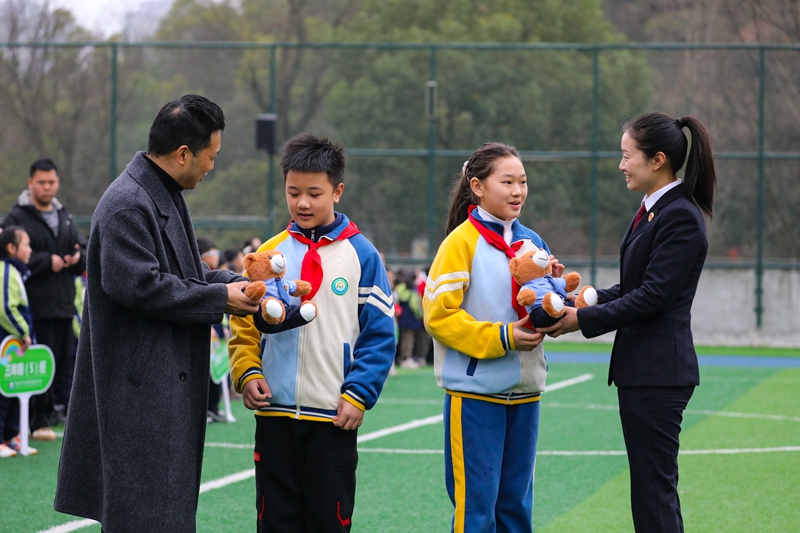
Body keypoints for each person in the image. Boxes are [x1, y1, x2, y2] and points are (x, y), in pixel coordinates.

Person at [53, 94, 262, 533]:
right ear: (183, 153)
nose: (211, 167)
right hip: (139, 394)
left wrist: (231, 284)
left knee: (164, 516)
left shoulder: (159, 190)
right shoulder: (129, 203)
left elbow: (182, 273)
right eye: (210, 157)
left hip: (159, 386)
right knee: (146, 519)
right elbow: (141, 286)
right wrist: (222, 300)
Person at [541, 112, 717, 533]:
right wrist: (585, 297)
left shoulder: (679, 216)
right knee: (649, 489)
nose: (621, 165)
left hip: (659, 374)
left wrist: (580, 320)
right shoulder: (654, 210)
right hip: (644, 372)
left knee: (654, 492)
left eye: (627, 156)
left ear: (657, 160)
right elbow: (637, 285)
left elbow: (654, 297)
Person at [229, 133, 396, 533]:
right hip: (275, 416)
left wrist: (359, 393)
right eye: (293, 192)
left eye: (314, 193)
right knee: (275, 522)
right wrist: (247, 372)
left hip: (333, 419)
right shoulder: (268, 254)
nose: (303, 202)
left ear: (337, 191)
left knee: (328, 522)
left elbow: (379, 335)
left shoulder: (363, 256)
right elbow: (244, 326)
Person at [423, 142, 562, 533]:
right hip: (474, 396)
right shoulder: (459, 243)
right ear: (478, 186)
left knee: (516, 508)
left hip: (526, 394)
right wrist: (504, 337)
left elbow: (545, 302)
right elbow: (438, 317)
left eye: (523, 181)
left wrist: (557, 308)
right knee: (476, 511)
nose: (518, 191)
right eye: (507, 181)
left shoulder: (533, 241)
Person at [1, 158, 85, 441]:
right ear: (30, 183)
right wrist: (45, 262)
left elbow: (80, 248)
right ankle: (32, 422)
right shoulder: (15, 218)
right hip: (35, 307)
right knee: (34, 365)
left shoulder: (64, 215)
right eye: (41, 182)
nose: (47, 187)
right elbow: (9, 257)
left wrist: (77, 258)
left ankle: (46, 417)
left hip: (64, 306)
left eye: (51, 182)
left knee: (59, 362)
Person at [0, 226, 37, 457]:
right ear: (11, 248)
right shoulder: (5, 270)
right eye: (26, 244)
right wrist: (24, 332)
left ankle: (10, 435)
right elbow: (6, 307)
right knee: (4, 389)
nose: (30, 250)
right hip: (7, 340)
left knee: (15, 386)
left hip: (16, 342)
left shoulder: (17, 271)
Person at [197, 236, 227, 423]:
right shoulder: (200, 276)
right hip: (205, 333)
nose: (216, 256)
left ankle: (214, 407)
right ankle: (206, 409)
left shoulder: (216, 273)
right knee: (206, 374)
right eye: (211, 253)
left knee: (217, 371)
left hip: (219, 335)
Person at [394, 269, 426, 368]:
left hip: (401, 317)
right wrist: (420, 315)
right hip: (411, 318)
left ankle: (403, 357)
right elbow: (415, 305)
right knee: (409, 339)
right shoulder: (413, 289)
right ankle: (406, 358)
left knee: (402, 338)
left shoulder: (400, 287)